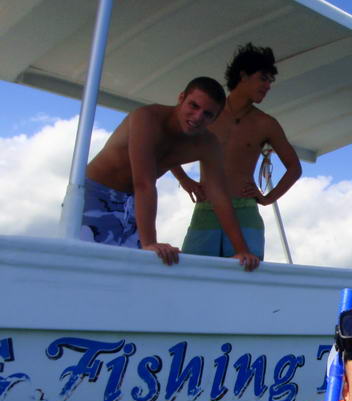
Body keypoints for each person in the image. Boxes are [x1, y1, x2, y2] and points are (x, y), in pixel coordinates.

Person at [82, 77, 260, 271]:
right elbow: (144, 183)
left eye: (208, 114)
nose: (198, 117)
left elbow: (218, 196)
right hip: (94, 193)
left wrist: (242, 250)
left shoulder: (207, 144)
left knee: (133, 270)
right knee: (87, 262)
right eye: (193, 105)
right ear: (181, 98)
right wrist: (149, 243)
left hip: (132, 201)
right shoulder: (147, 118)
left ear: (215, 118)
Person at [173, 44, 301, 260]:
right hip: (207, 208)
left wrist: (267, 198)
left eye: (271, 81)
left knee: (246, 276)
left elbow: (294, 168)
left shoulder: (266, 123)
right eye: (264, 78)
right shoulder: (208, 112)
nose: (268, 86)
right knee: (196, 273)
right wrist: (184, 179)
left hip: (245, 211)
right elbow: (167, 144)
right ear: (243, 75)